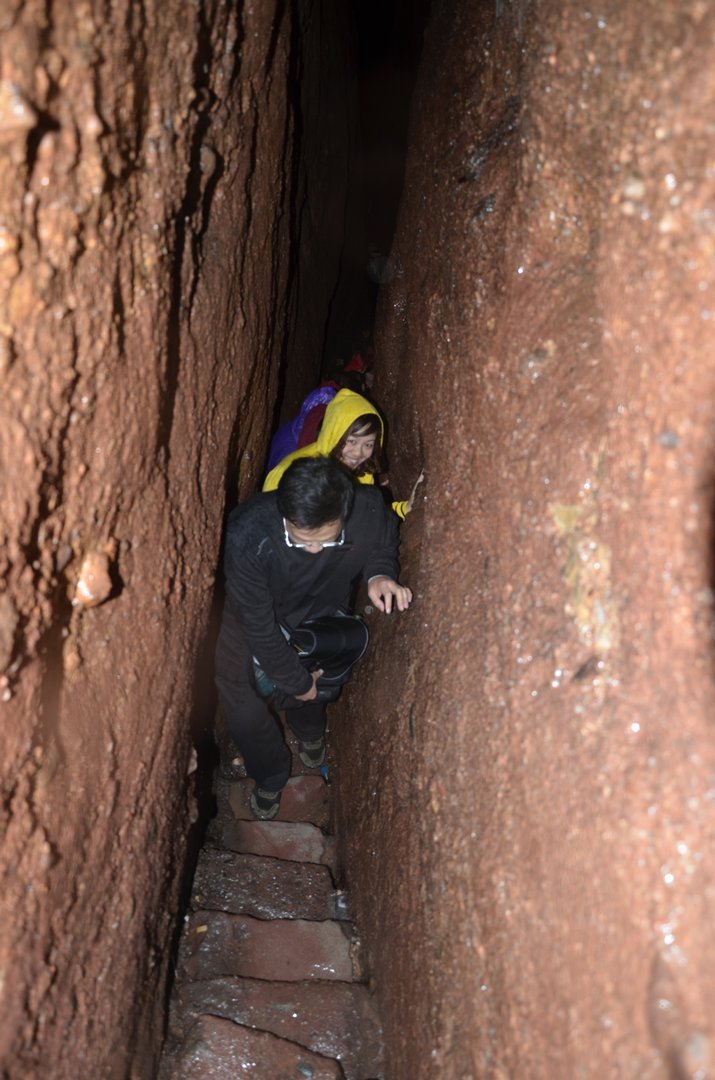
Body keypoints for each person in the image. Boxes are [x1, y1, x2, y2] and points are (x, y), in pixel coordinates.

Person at [215, 456, 412, 820]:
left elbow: (384, 535)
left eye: (325, 540)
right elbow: (259, 628)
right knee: (242, 707)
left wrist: (379, 574)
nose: (312, 551)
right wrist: (296, 682)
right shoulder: (247, 533)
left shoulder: (366, 507)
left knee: (319, 668)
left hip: (318, 607)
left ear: (344, 510)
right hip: (251, 616)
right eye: (299, 539)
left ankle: (310, 731)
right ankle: (271, 776)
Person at [263, 388, 418, 519]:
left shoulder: (362, 476)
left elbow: (369, 517)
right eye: (351, 441)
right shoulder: (287, 474)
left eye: (368, 444)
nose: (358, 453)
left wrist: (405, 509)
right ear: (334, 434)